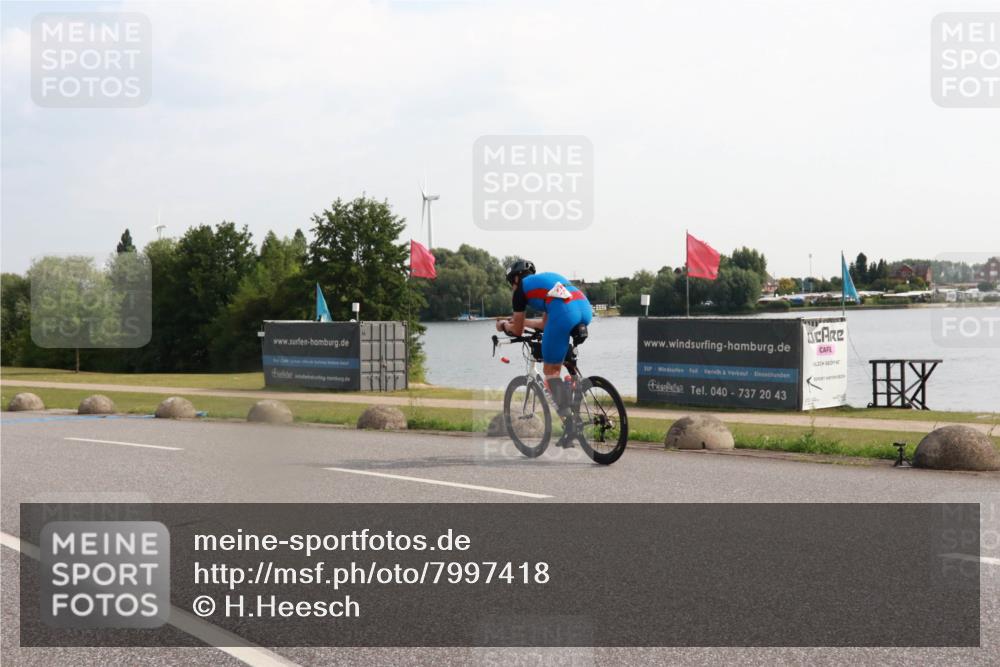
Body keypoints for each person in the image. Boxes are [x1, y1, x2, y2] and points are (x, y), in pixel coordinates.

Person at [496, 259, 592, 416]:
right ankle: (575, 395)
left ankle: (570, 422)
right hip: (585, 309)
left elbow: (517, 332)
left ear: (516, 278)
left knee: (551, 371)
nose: (512, 287)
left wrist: (504, 325)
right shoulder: (546, 281)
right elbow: (545, 324)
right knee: (562, 354)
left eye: (511, 283)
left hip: (564, 314)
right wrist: (522, 322)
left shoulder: (520, 289)